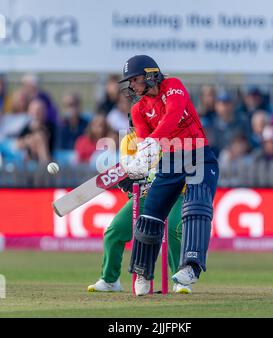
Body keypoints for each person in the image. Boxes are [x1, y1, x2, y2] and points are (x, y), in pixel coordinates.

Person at [118, 55, 219, 296]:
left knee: (196, 208)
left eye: (135, 79)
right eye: (129, 81)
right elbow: (145, 144)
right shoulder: (138, 109)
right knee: (149, 215)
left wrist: (152, 142)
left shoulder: (173, 86)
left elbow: (172, 116)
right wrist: (139, 165)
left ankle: (191, 267)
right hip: (170, 162)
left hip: (199, 157)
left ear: (151, 74)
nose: (132, 85)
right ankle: (142, 271)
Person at [87, 132, 190, 294]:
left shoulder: (171, 135)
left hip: (175, 194)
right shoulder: (129, 140)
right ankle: (110, 280)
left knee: (172, 231)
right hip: (145, 197)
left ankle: (180, 281)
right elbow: (131, 173)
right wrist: (129, 183)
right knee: (114, 232)